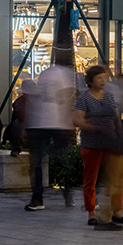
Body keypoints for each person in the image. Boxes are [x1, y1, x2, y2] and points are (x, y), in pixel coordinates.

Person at [74, 64, 123, 231]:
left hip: (111, 142)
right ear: (90, 80)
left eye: (104, 78)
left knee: (116, 177)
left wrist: (120, 137)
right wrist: (94, 127)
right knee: (91, 179)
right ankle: (91, 213)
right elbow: (77, 120)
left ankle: (116, 211)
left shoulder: (109, 97)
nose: (103, 81)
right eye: (99, 78)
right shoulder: (83, 98)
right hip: (92, 144)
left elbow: (116, 118)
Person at [25, 61, 76, 212]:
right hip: (53, 124)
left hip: (45, 124)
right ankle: (65, 193)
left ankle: (39, 197)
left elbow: (67, 97)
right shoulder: (62, 74)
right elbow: (68, 97)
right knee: (59, 160)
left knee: (39, 162)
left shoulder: (48, 74)